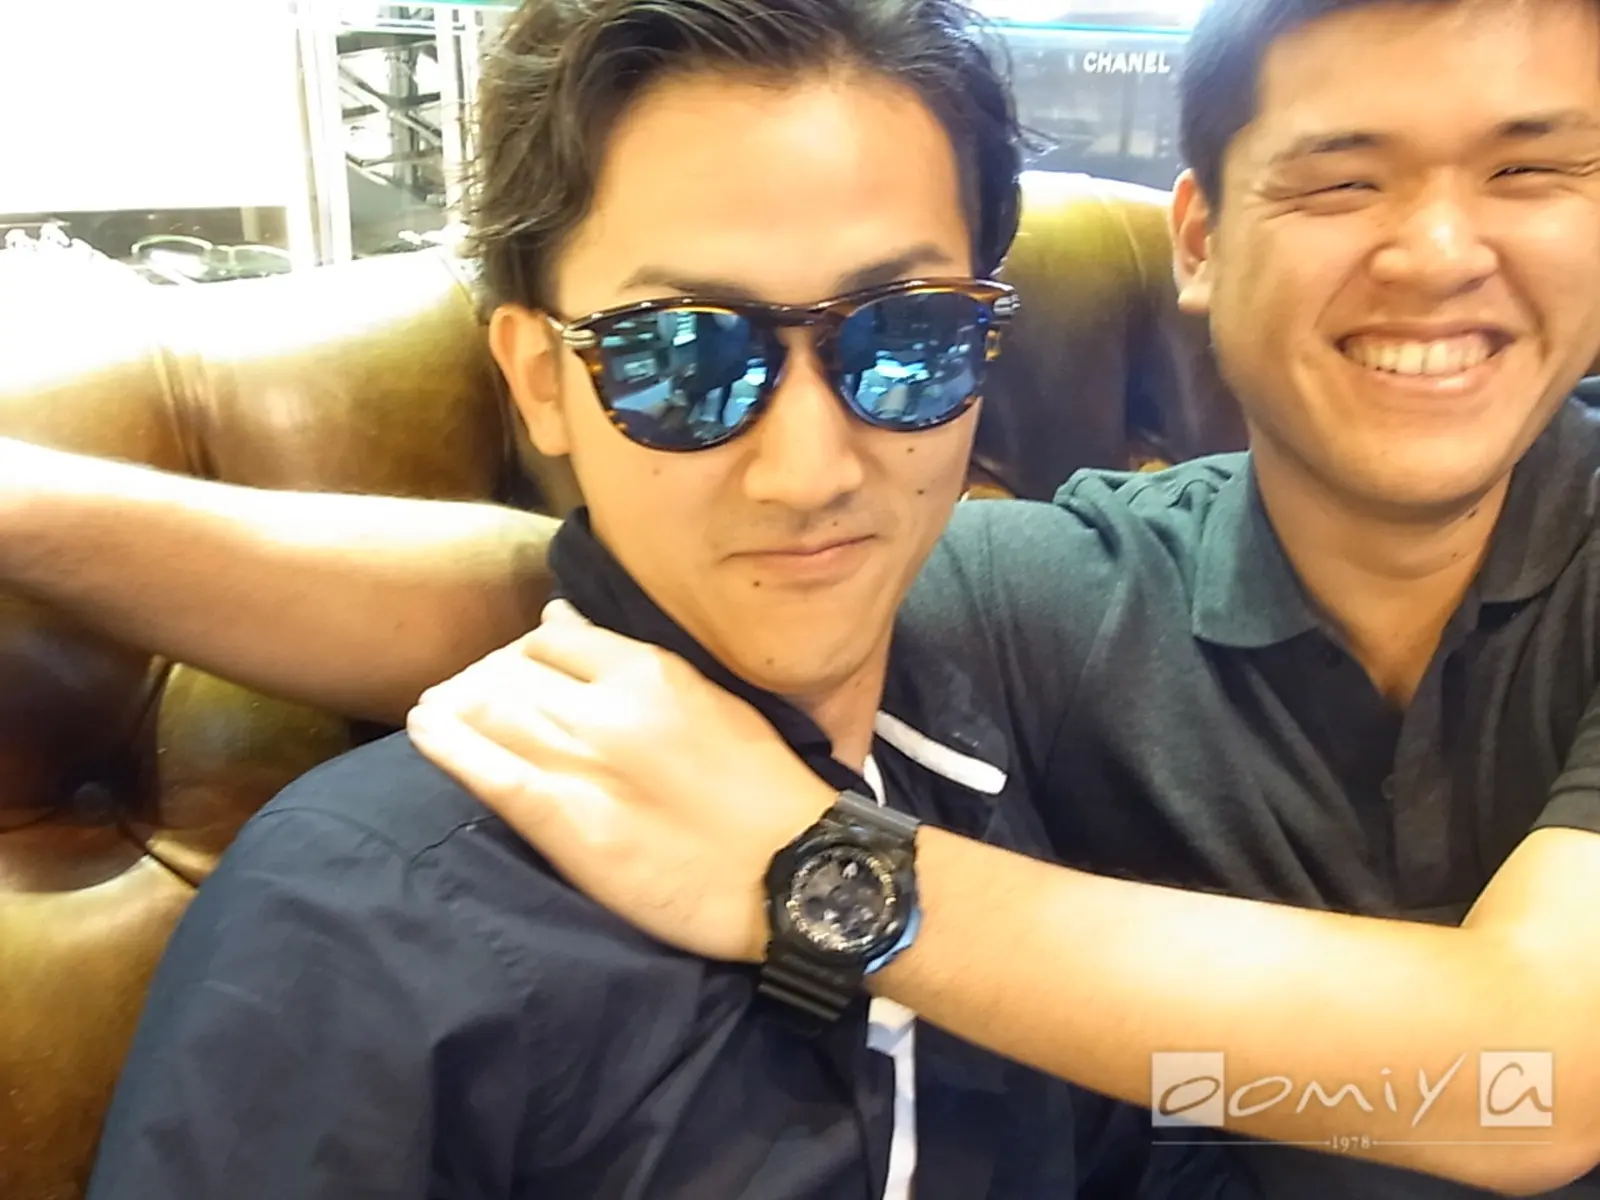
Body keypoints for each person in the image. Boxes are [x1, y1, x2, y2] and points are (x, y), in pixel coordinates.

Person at [6, 0, 1596, 1195]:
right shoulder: (1069, 613)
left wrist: (817, 868)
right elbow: (556, 592)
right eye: (680, 359)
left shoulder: (993, 760)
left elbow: (1533, 1087)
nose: (806, 469)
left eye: (907, 341)